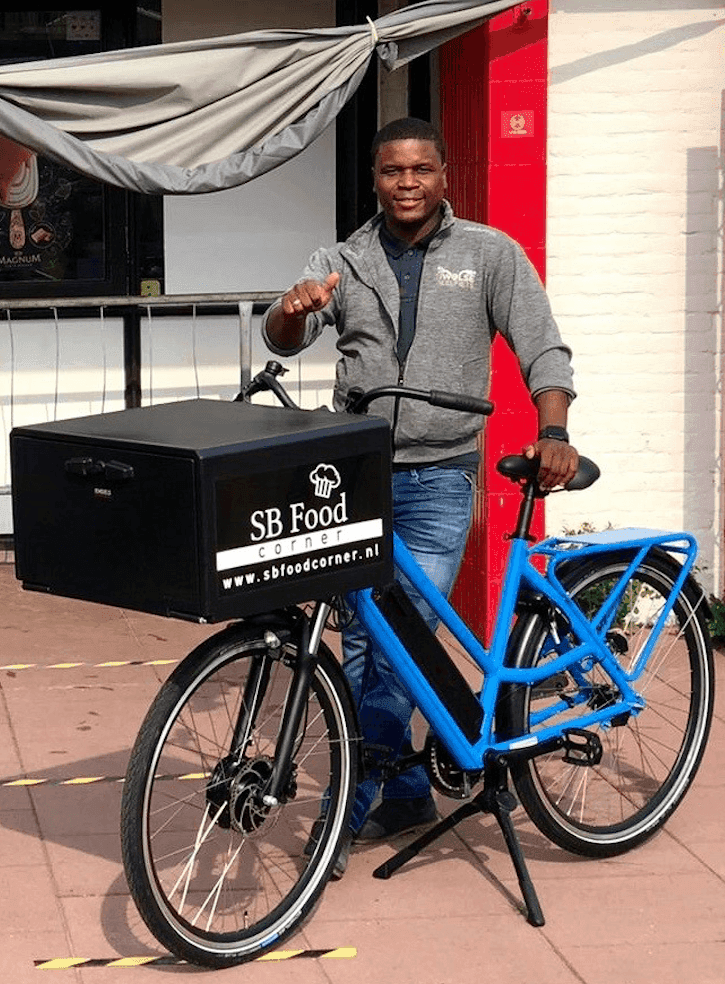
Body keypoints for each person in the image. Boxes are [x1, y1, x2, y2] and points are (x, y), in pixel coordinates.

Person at [262, 117, 578, 876]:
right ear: (374, 179)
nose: (407, 183)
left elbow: (542, 345)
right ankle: (404, 793)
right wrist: (292, 309)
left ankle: (349, 800)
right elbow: (281, 338)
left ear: (444, 175)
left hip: (440, 477)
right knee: (365, 642)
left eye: (421, 169)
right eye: (392, 171)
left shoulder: (489, 254)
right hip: (357, 474)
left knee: (400, 641)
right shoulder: (343, 259)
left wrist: (554, 429)